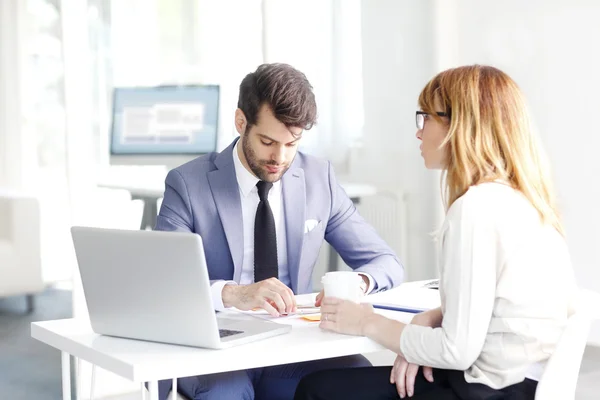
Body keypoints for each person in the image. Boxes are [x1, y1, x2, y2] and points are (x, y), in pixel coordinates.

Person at [294, 65, 578, 400]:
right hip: (523, 383)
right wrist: (431, 320)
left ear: (458, 125)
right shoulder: (523, 200)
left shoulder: (475, 208)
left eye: (425, 117)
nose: (419, 132)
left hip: (490, 390)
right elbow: (505, 308)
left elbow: (456, 350)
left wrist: (365, 322)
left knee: (317, 390)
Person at [154, 63, 404, 400]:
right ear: (241, 122)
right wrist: (234, 294)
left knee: (360, 382)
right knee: (226, 393)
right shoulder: (188, 184)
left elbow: (385, 261)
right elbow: (166, 284)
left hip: (289, 347)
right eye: (268, 141)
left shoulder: (318, 179)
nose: (280, 157)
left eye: (292, 143)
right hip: (213, 350)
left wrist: (355, 284)